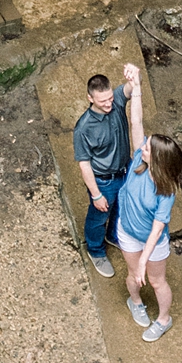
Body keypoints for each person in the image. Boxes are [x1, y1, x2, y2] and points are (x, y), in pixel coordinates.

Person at [119, 66, 182, 343]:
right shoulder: (138, 160)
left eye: (147, 147)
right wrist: (137, 87)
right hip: (128, 233)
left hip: (151, 243)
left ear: (157, 159)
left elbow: (157, 230)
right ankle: (135, 302)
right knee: (133, 276)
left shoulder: (165, 192)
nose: (143, 145)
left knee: (156, 281)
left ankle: (163, 319)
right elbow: (136, 123)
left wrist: (146, 259)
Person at [73, 60, 137, 277]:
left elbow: (129, 90)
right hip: (104, 180)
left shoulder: (116, 100)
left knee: (120, 209)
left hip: (124, 171)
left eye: (110, 98)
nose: (109, 104)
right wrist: (96, 194)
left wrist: (133, 77)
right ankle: (96, 250)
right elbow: (84, 164)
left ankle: (113, 236)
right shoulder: (84, 128)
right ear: (90, 98)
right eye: (103, 101)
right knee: (98, 216)